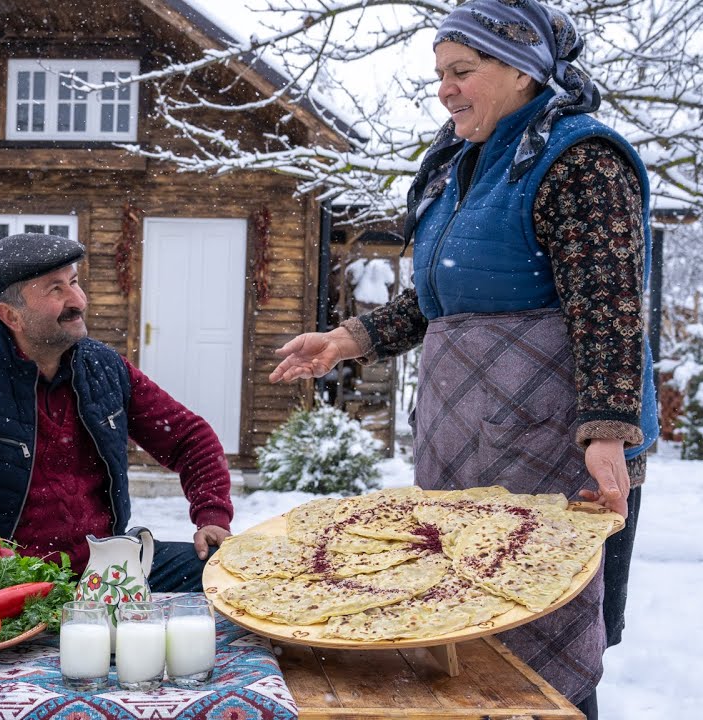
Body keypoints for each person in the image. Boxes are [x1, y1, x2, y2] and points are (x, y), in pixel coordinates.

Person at [269, 2, 656, 717]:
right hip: (469, 442)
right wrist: (348, 339)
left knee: (539, 644)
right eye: (439, 74)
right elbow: (442, 295)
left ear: (522, 72)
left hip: (556, 446)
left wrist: (606, 434)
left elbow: (611, 307)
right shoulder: (468, 162)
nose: (445, 89)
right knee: (460, 626)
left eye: (462, 71)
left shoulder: (579, 160)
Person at [0, 232, 233, 593]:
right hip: (6, 585)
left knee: (228, 576)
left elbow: (190, 439)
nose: (77, 300)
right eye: (55, 289)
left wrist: (212, 515)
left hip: (105, 567)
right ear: (11, 315)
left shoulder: (105, 368)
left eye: (73, 282)